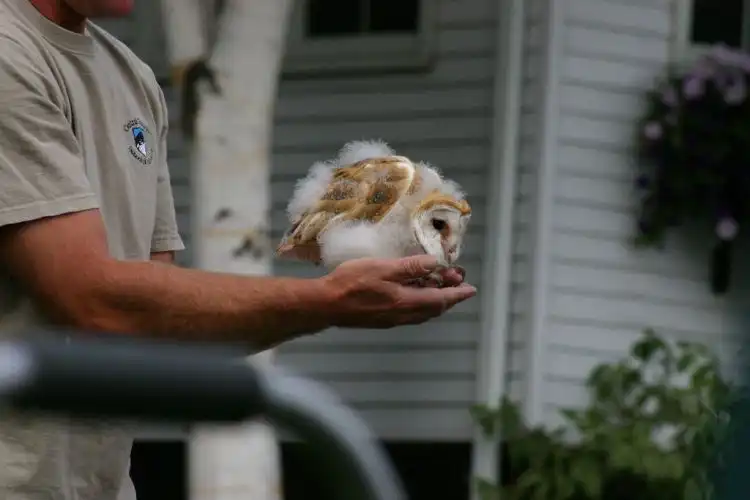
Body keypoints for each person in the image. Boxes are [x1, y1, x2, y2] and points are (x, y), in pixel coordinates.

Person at [0, 0, 477, 498]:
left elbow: (157, 322)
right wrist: (331, 300)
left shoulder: (132, 77)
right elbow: (94, 301)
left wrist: (362, 262)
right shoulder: (10, 55)